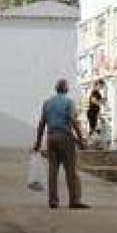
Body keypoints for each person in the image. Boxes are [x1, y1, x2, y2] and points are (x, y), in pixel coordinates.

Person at [33, 79, 89, 210]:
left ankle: (53, 201)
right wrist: (81, 139)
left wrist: (38, 142)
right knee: (71, 170)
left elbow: (42, 124)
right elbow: (73, 120)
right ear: (66, 89)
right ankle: (74, 200)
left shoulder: (47, 103)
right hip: (65, 137)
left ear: (56, 89)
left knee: (53, 170)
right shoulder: (69, 102)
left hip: (51, 137)